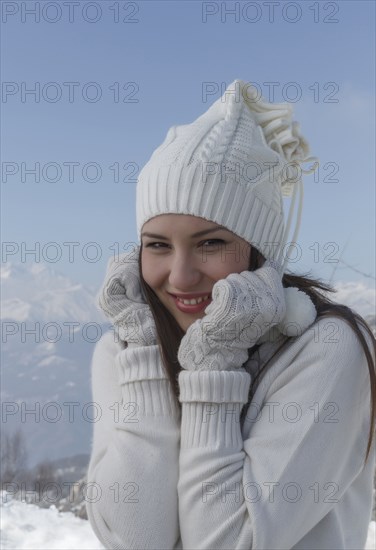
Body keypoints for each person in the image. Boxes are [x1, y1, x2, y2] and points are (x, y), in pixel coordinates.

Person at [86, 79, 376, 549]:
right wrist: (144, 359)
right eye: (157, 246)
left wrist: (215, 364)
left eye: (211, 243)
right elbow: (135, 539)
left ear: (260, 254)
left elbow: (228, 542)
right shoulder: (123, 348)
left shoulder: (326, 347)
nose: (180, 277)